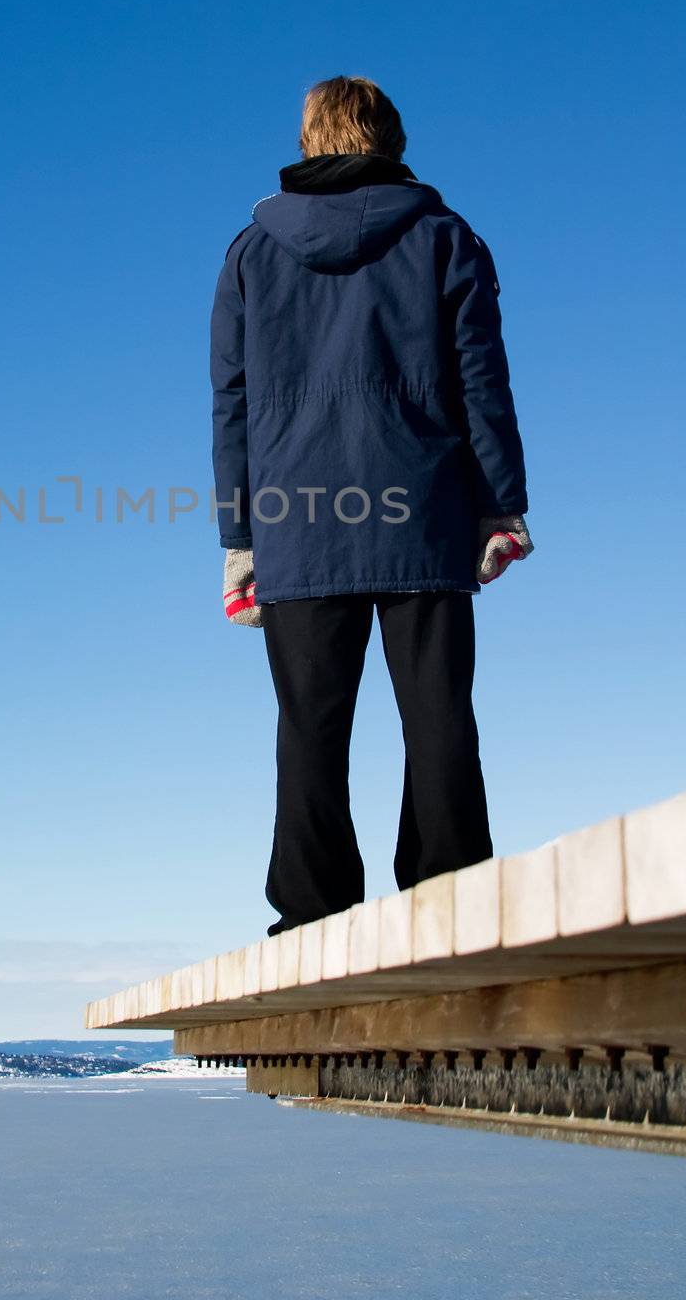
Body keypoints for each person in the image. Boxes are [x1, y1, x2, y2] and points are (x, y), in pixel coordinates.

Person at [210, 76, 533, 937]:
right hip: (420, 509)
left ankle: (312, 918)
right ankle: (451, 903)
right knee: (437, 717)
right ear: (391, 138)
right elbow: (482, 383)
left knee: (308, 729)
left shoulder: (251, 252)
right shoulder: (444, 238)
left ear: (311, 139)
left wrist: (239, 540)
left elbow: (231, 403)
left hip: (297, 521)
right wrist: (501, 506)